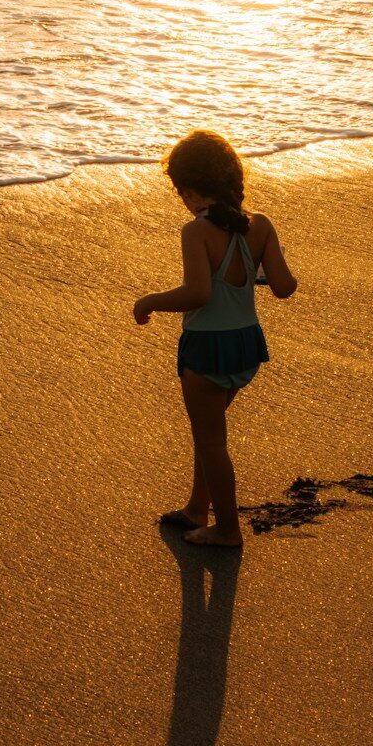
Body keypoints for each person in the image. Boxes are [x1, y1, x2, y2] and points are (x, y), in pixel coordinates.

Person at [133, 130, 297, 548]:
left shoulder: (196, 231)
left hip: (208, 348)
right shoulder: (259, 226)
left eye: (180, 192)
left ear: (189, 190)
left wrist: (150, 300)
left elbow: (199, 293)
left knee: (210, 440)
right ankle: (195, 509)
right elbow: (283, 286)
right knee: (211, 433)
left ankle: (227, 528)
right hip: (246, 347)